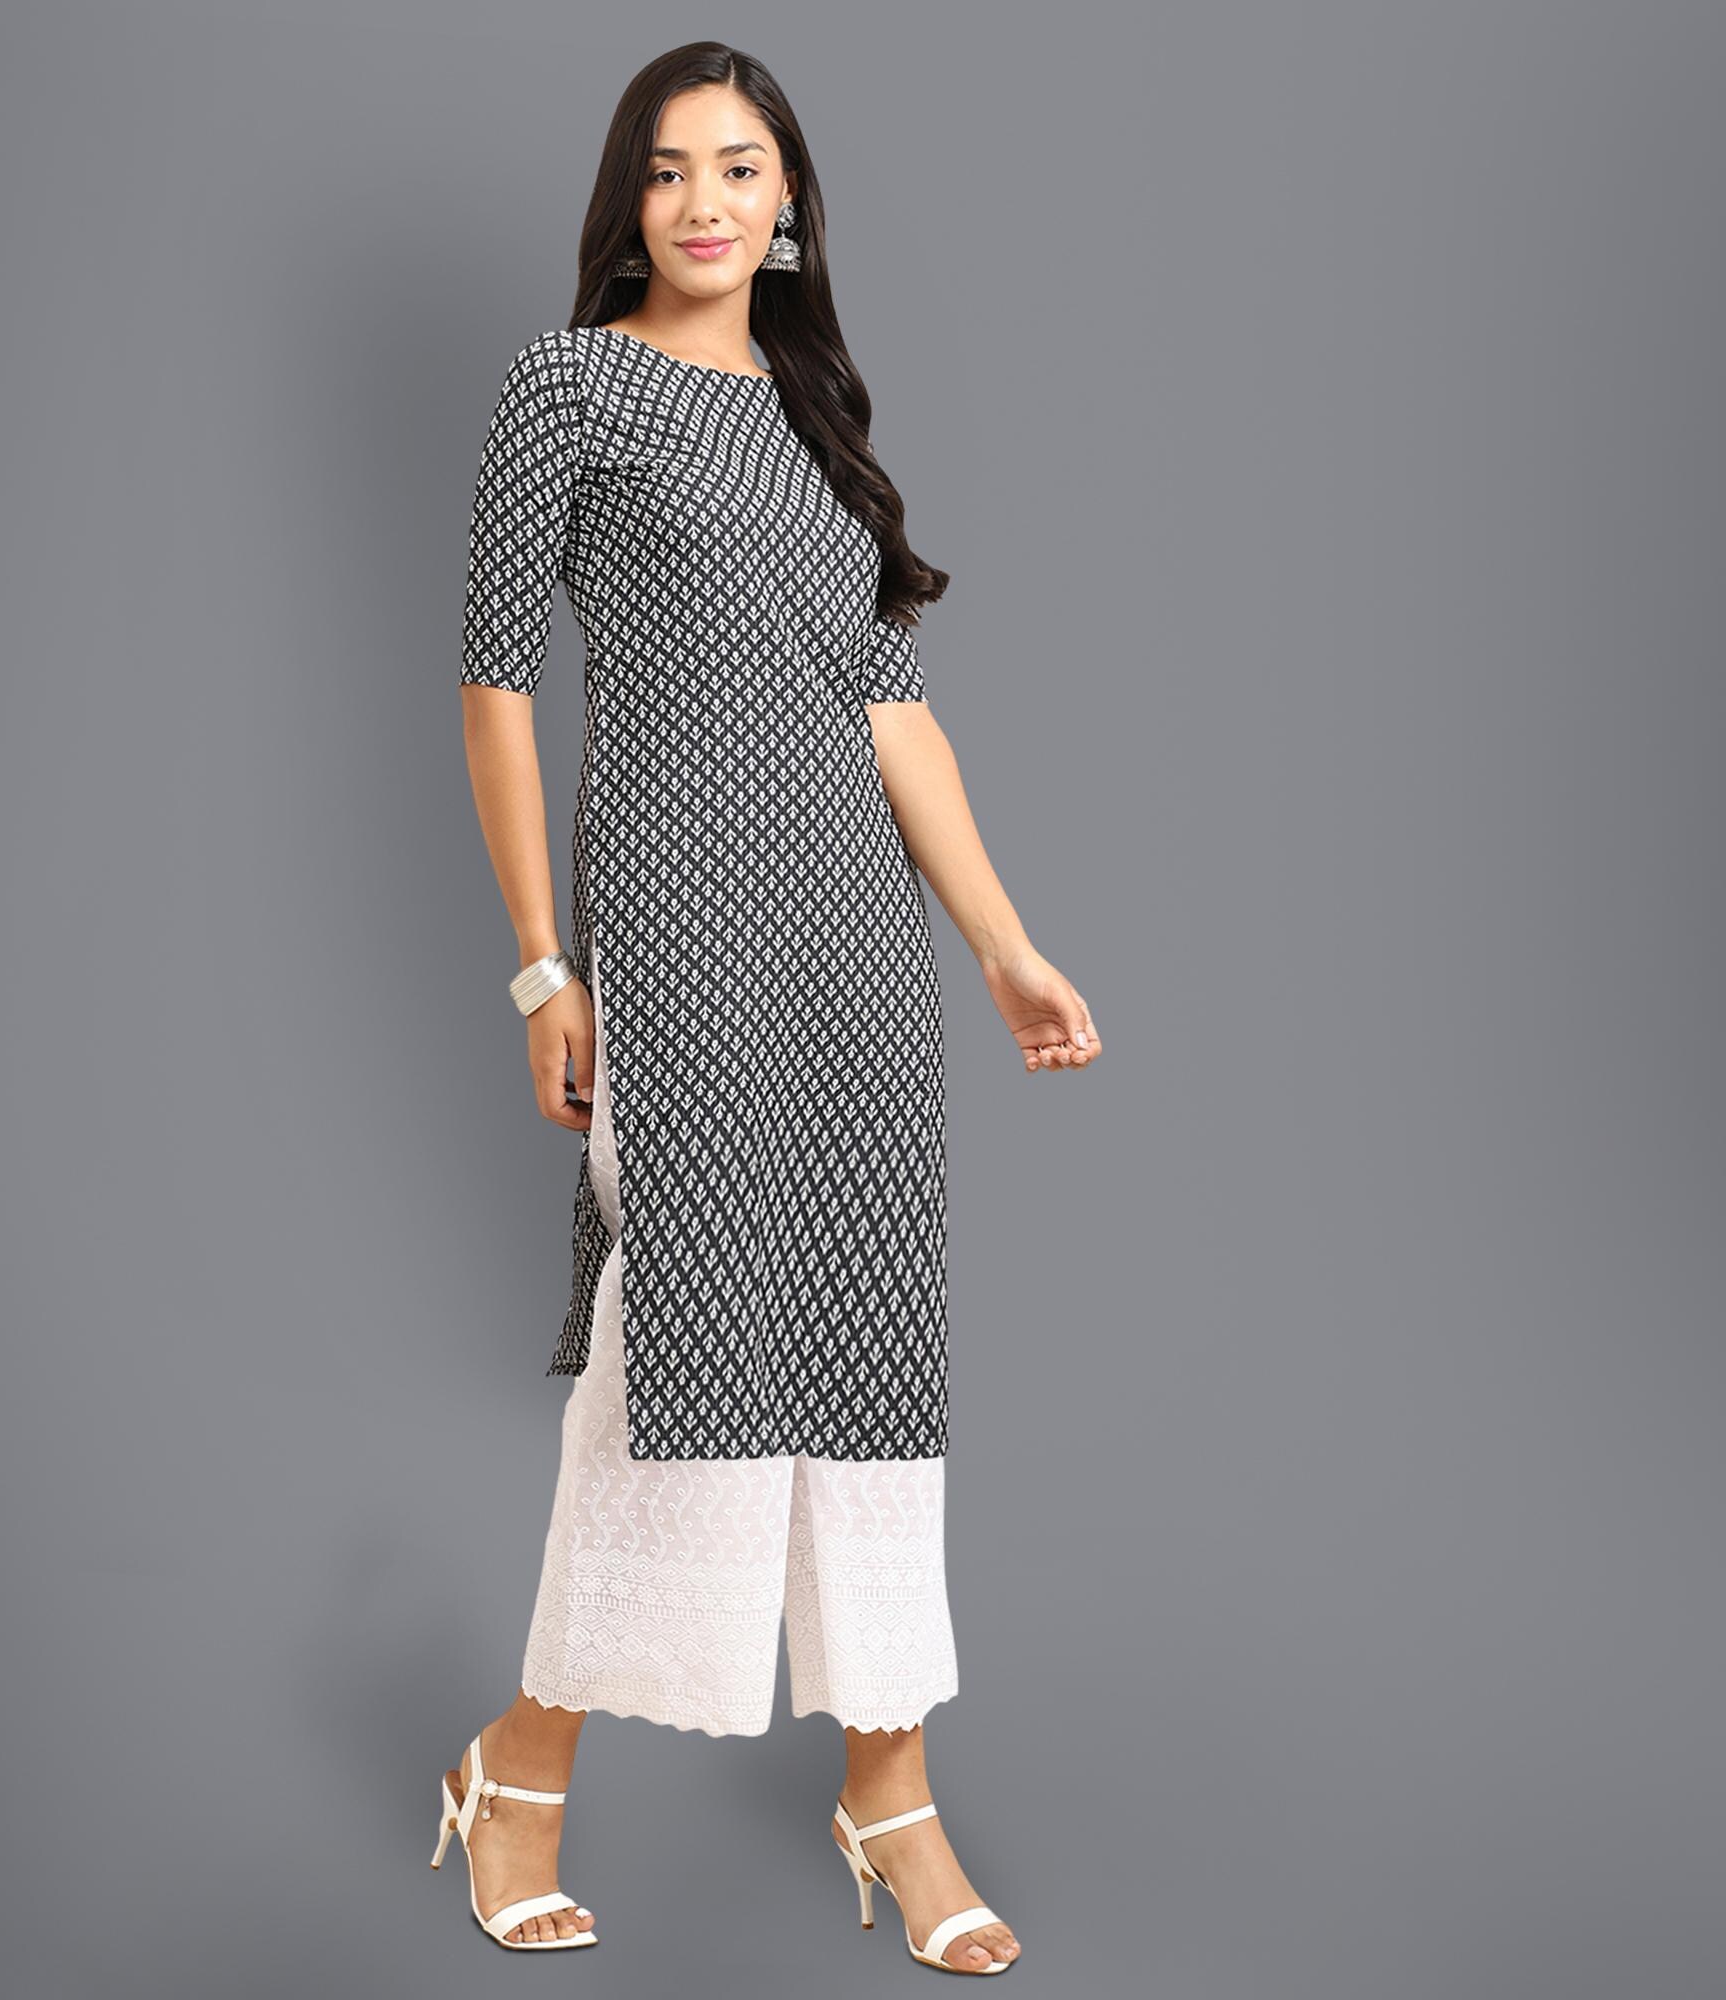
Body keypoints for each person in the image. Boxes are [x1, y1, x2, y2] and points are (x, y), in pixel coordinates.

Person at [438, 41, 1100, 1973]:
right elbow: (494, 684)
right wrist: (543, 966)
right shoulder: (568, 386)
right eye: (668, 171)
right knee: (686, 1356)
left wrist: (1003, 945)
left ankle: (893, 1792)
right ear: (627, 202)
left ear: (789, 199)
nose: (704, 202)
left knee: (873, 1359)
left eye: (739, 167)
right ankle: (519, 1764)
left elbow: (899, 718)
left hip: (855, 962)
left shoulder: (820, 427)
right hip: (679, 941)